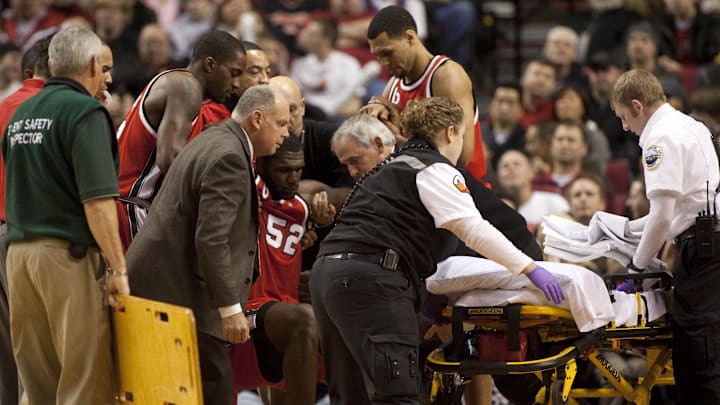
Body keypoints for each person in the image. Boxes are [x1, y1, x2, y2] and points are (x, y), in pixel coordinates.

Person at [310, 97, 564, 404]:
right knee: (398, 395)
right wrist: (530, 269)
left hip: (326, 276)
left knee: (351, 397)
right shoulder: (435, 169)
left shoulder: (384, 170)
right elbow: (473, 229)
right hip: (371, 278)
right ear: (451, 133)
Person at [126, 85, 290, 405]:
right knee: (213, 387)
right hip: (174, 294)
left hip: (162, 288)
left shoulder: (216, 139)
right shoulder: (229, 156)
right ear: (257, 119)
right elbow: (211, 238)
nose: (287, 132)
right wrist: (229, 310)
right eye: (281, 124)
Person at [1, 26, 129, 404]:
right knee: (84, 385)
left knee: (37, 385)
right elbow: (98, 201)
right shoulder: (84, 111)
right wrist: (119, 269)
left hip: (18, 259)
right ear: (91, 63)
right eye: (104, 68)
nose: (108, 78)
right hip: (66, 259)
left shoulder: (22, 113)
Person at [611, 69, 720, 404]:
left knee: (697, 350)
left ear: (637, 105)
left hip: (703, 250)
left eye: (623, 117)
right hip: (709, 240)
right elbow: (682, 207)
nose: (625, 127)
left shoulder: (659, 139)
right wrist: (627, 228)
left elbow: (663, 217)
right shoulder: (692, 125)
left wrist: (637, 267)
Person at [116, 30, 245, 250]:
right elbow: (171, 159)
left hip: (122, 206)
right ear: (210, 64)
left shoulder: (178, 85)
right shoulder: (187, 86)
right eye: (234, 73)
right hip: (130, 208)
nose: (236, 84)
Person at [229, 134, 331, 405]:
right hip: (244, 309)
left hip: (280, 310)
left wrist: (323, 221)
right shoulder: (247, 189)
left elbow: (340, 195)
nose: (292, 178)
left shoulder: (301, 207)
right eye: (284, 170)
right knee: (303, 318)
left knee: (347, 332)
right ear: (260, 165)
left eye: (298, 170)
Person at [360, 5, 487, 181]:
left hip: (464, 191)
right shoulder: (393, 85)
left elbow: (460, 157)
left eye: (387, 53)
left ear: (410, 37)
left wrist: (402, 143)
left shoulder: (447, 76)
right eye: (378, 56)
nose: (383, 62)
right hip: (421, 189)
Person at [0, 35, 50, 405]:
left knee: (6, 359)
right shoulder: (59, 109)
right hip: (33, 240)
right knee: (40, 358)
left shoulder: (3, 106)